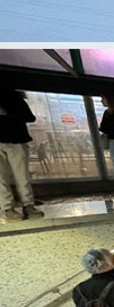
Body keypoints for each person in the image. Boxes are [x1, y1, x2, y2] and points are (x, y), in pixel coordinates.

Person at [0, 86, 44, 222]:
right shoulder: (14, 95)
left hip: (16, 140)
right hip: (13, 140)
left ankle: (27, 205)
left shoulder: (12, 95)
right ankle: (7, 209)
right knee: (1, 178)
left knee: (22, 176)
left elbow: (29, 117)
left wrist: (8, 113)